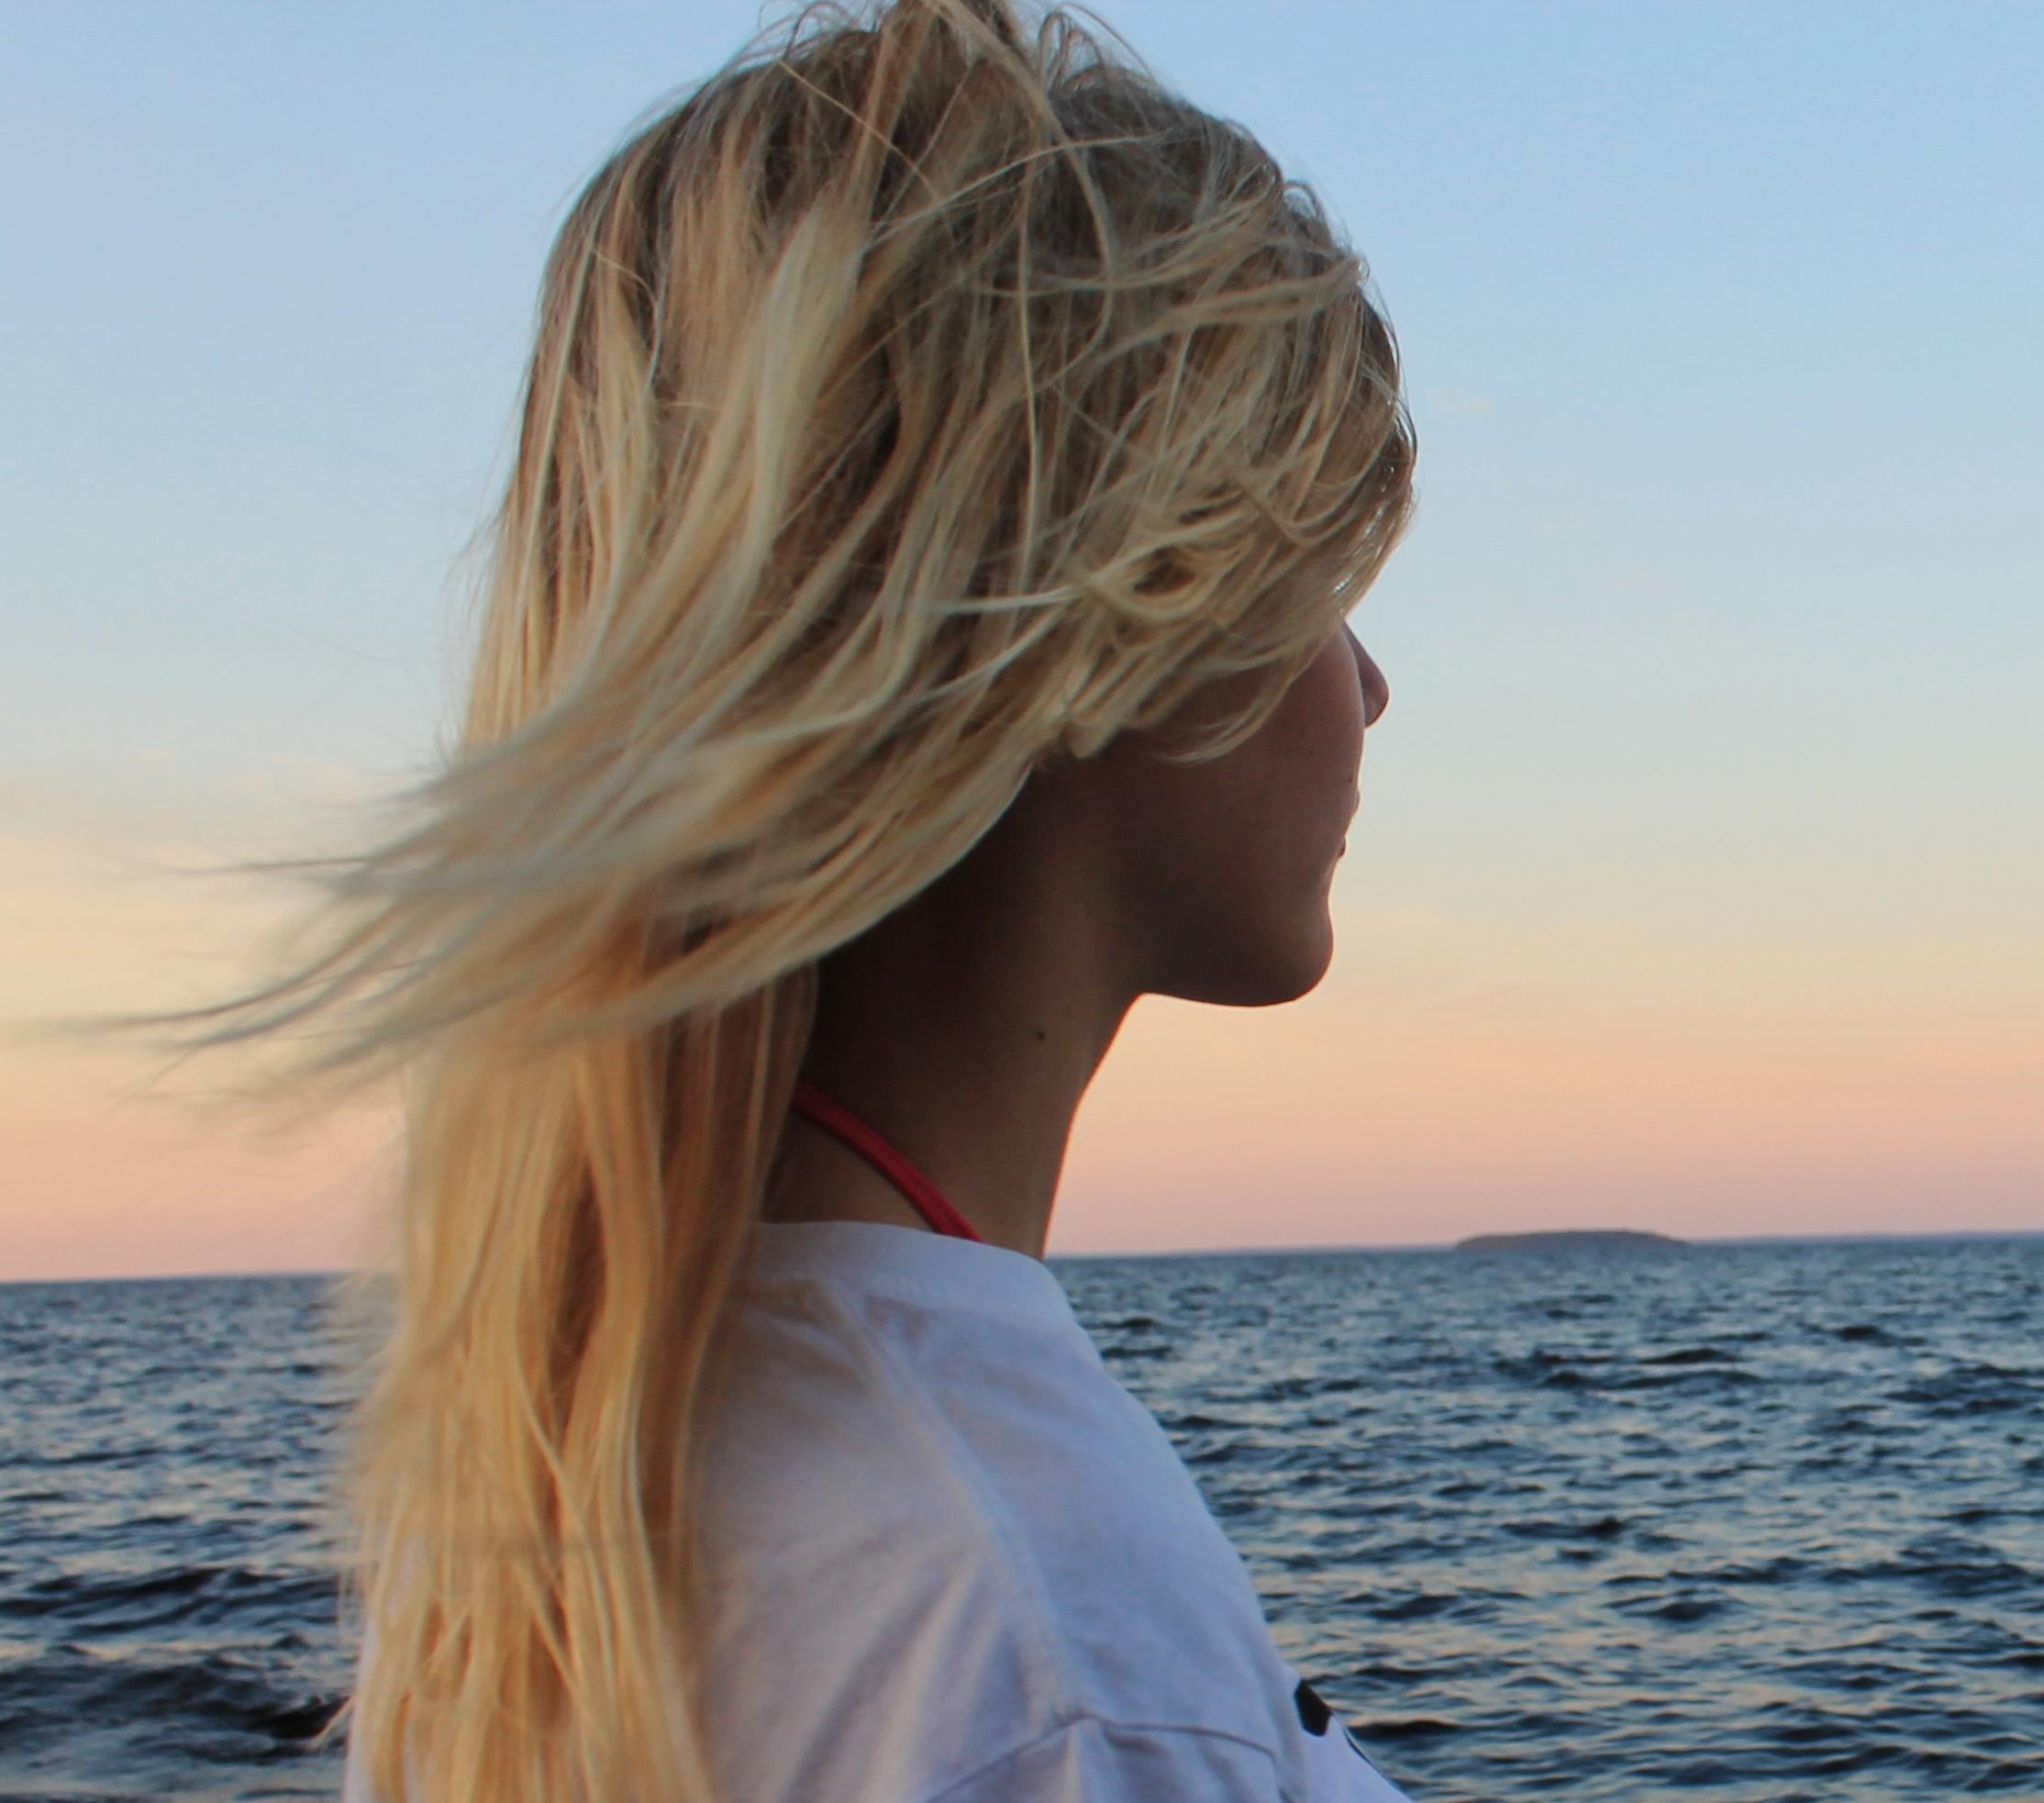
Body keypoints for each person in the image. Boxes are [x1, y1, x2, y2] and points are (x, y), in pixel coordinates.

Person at [151, 0, 1420, 1795]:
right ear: (1108, 614)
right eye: (1318, 577)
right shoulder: (1047, 1648)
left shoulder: (579, 1481)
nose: (1368, 687)